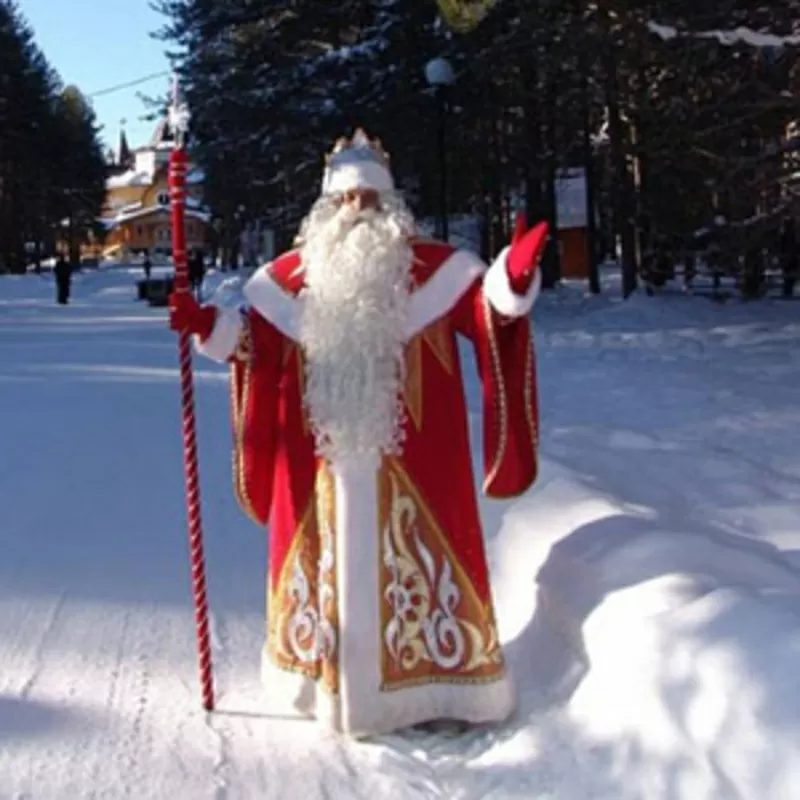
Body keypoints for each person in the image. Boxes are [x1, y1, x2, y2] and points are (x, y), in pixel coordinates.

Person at [169, 129, 548, 738]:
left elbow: (487, 314)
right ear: (325, 207)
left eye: (369, 198)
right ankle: (319, 678)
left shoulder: (437, 271)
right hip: (317, 460)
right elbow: (255, 344)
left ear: (390, 203)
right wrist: (207, 326)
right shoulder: (287, 279)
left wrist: (513, 277)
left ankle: (433, 687)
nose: (357, 211)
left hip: (417, 464)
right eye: (346, 200)